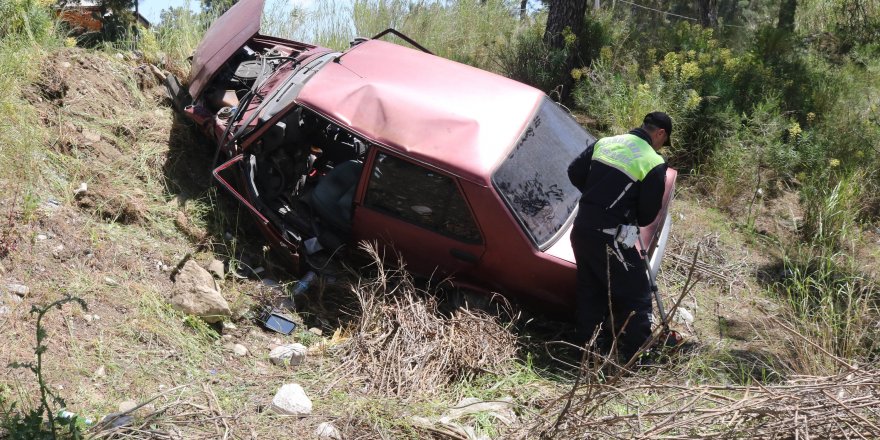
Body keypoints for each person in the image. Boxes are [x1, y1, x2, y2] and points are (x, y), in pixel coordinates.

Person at [567, 112, 671, 361]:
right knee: (638, 294)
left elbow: (574, 172)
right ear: (660, 134)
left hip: (582, 230)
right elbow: (646, 216)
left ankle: (584, 351)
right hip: (609, 237)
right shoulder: (653, 162)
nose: (661, 146)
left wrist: (597, 197)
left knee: (591, 290)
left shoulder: (606, 142)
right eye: (663, 142)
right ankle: (635, 358)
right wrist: (620, 209)